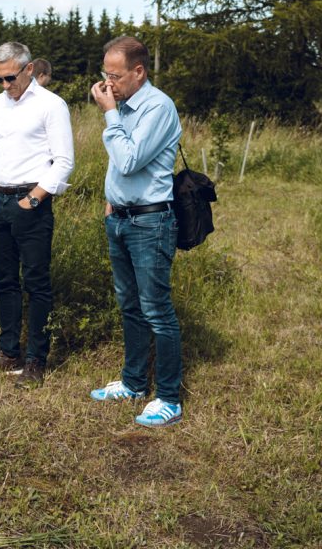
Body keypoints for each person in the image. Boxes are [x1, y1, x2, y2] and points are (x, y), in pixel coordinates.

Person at [0, 43, 74, 387]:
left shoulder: (51, 105)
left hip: (32, 202)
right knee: (4, 280)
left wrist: (34, 199)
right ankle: (9, 351)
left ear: (28, 69)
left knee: (36, 282)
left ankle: (36, 359)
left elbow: (64, 161)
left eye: (10, 77)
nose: (4, 85)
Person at [88, 36, 184, 428]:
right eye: (105, 75)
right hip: (121, 218)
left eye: (115, 76)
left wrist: (110, 113)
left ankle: (169, 398)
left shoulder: (158, 107)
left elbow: (129, 160)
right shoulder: (124, 106)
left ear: (139, 72)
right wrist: (111, 200)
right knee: (129, 305)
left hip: (150, 222)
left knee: (156, 310)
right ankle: (133, 383)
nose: (108, 84)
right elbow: (119, 166)